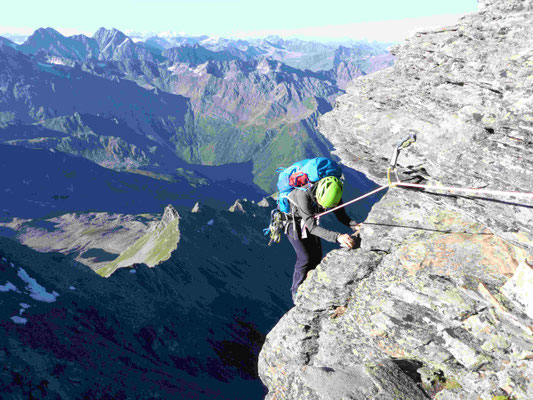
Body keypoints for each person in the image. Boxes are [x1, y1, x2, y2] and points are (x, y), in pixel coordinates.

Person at [285, 176, 360, 302]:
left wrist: (355, 225)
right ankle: (296, 292)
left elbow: (341, 215)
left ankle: (311, 286)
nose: (323, 208)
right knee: (305, 257)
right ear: (317, 195)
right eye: (321, 204)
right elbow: (312, 228)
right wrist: (338, 237)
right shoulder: (302, 195)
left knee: (317, 255)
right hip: (292, 222)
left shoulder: (334, 193)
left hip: (309, 221)